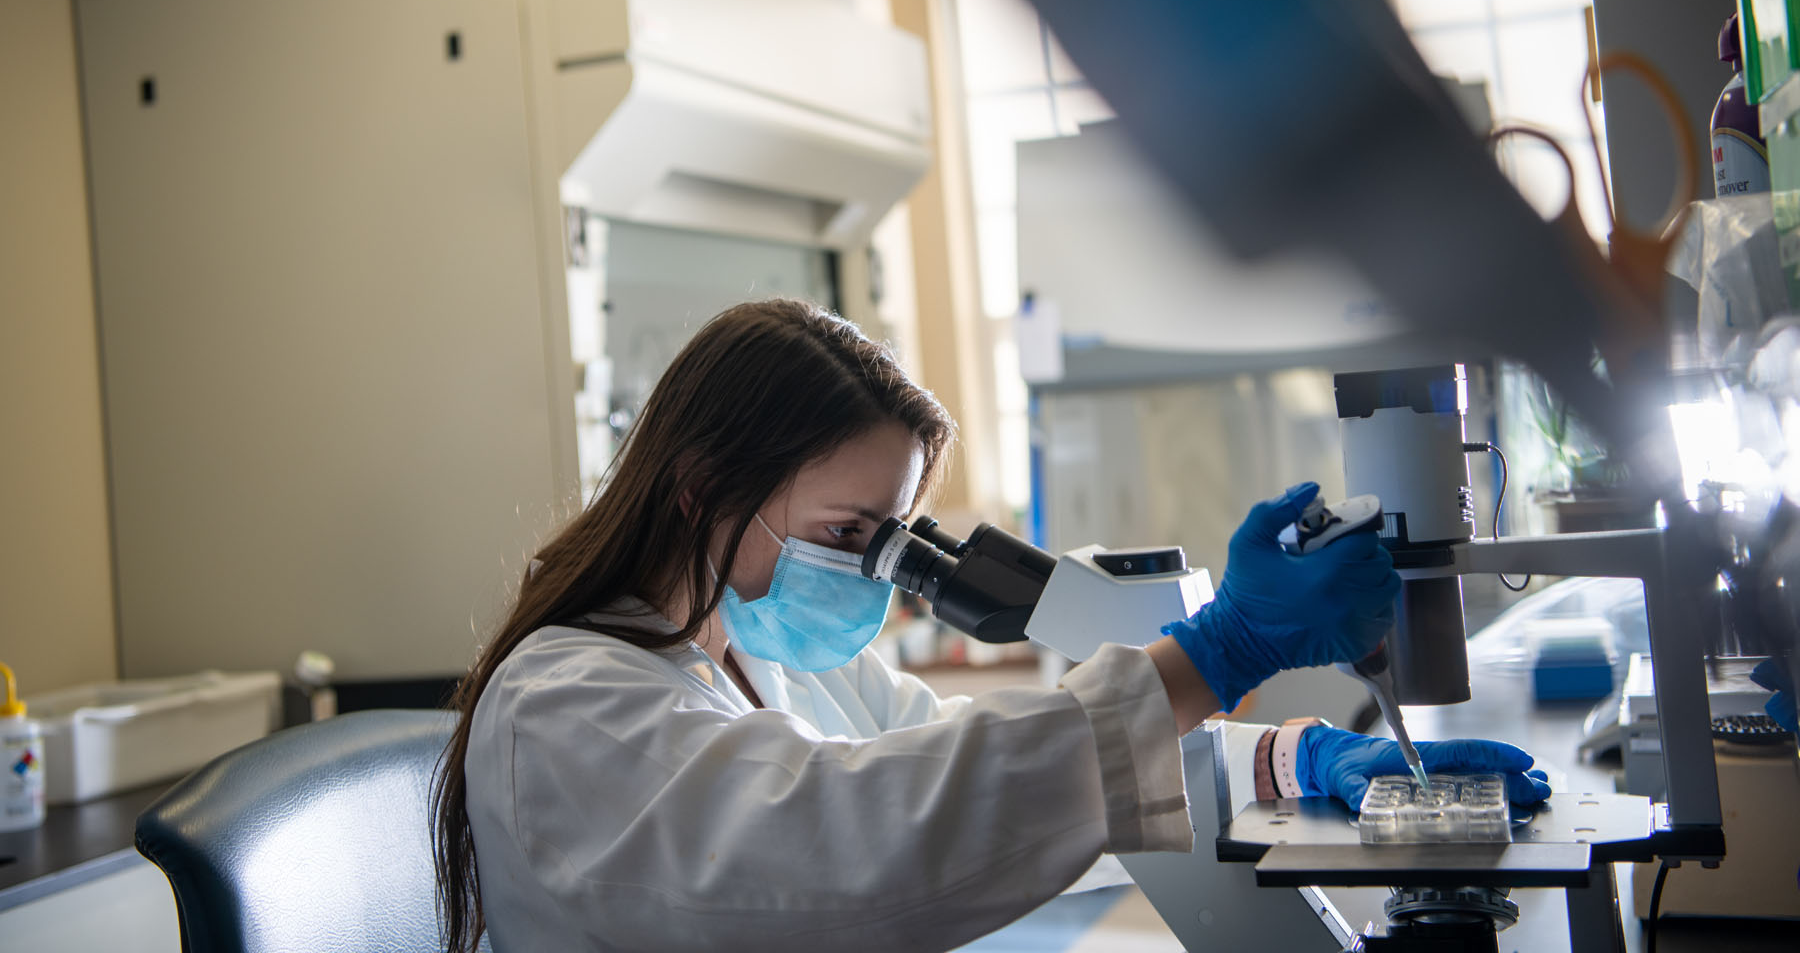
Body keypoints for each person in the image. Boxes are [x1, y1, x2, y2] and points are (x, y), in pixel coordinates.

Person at [433, 299, 1550, 952]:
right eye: (847, 528)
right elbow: (872, 837)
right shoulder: (563, 708)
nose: (875, 568)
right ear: (701, 487)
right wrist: (1218, 655)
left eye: (895, 534)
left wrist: (1293, 759)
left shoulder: (762, 655)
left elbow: (1005, 779)